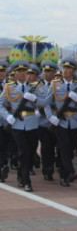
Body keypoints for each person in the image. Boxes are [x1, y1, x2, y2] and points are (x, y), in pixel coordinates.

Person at [0, 60, 45, 192]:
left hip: (32, 124)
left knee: (31, 152)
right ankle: (26, 181)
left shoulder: (35, 87)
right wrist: (8, 117)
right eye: (18, 71)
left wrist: (35, 99)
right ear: (14, 73)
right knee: (23, 151)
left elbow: (43, 103)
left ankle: (21, 174)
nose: (21, 73)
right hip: (17, 124)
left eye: (24, 71)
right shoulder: (9, 87)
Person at [44, 57, 77, 187]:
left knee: (70, 148)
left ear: (74, 71)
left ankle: (65, 170)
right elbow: (46, 103)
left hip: (74, 121)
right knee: (64, 146)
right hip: (60, 121)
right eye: (64, 68)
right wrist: (51, 117)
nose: (65, 70)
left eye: (69, 68)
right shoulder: (55, 84)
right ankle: (66, 173)